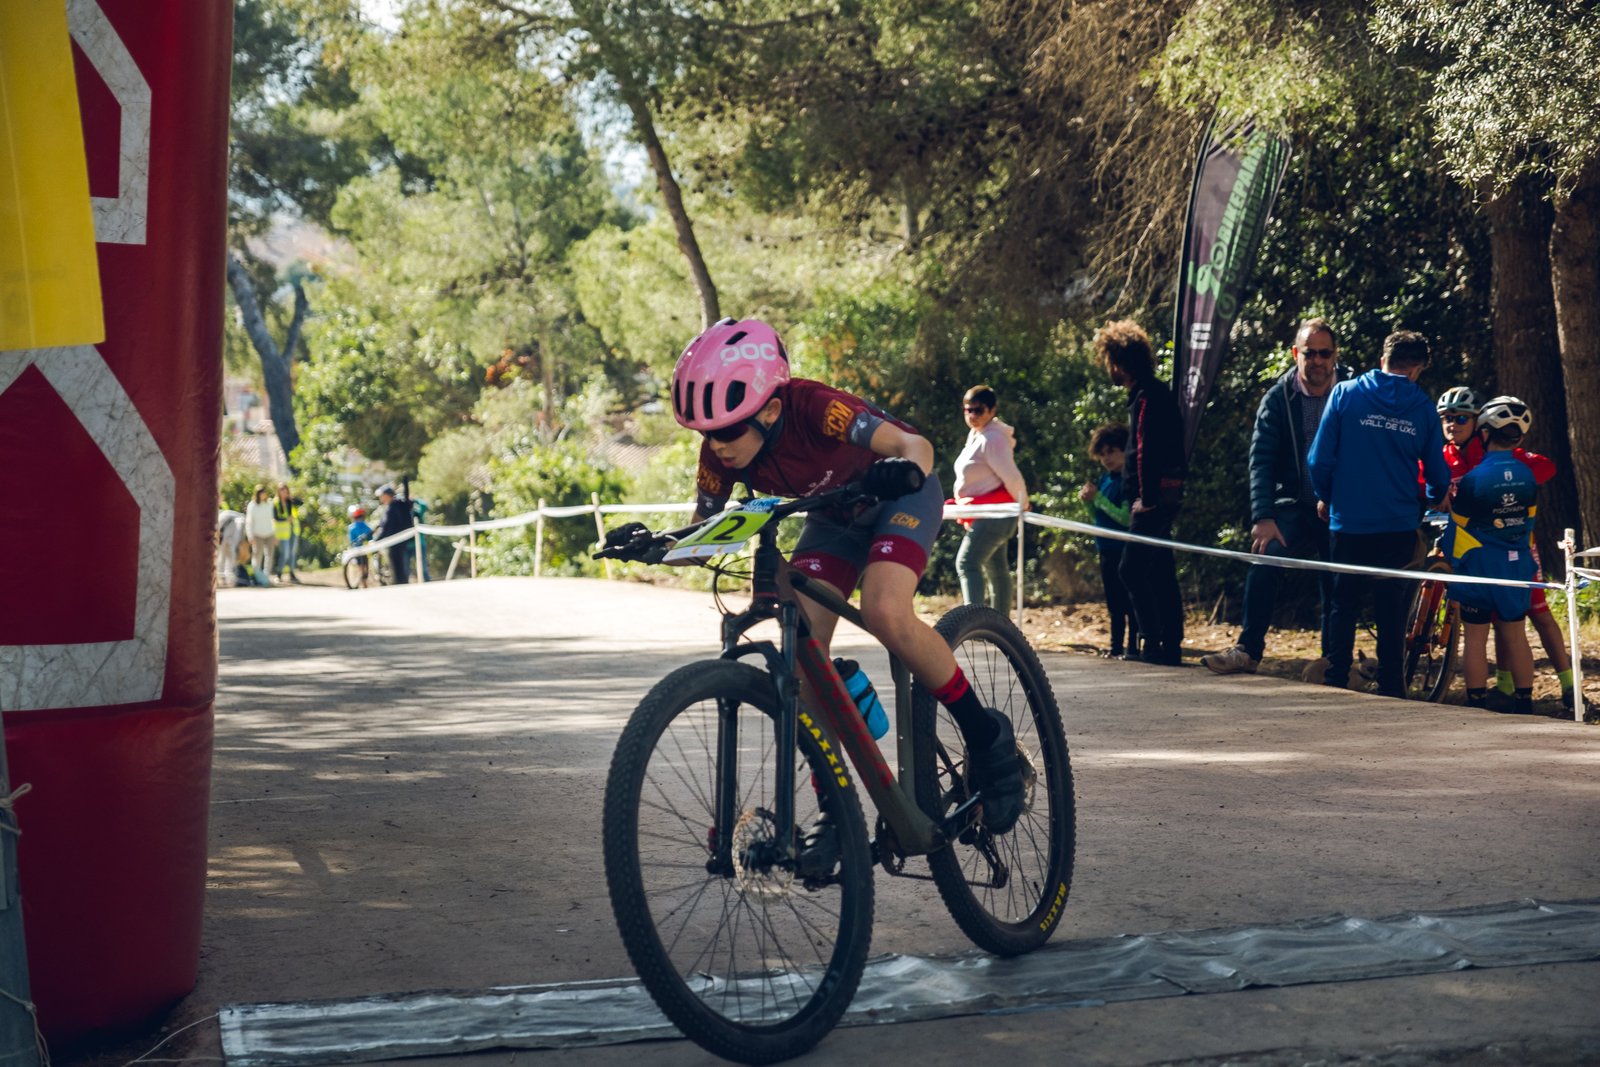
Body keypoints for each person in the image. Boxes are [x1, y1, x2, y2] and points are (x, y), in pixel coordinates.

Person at [671, 317, 1024, 834]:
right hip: (833, 519)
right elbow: (703, 535)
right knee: (801, 652)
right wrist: (654, 546)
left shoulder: (815, 406)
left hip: (899, 496)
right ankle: (836, 812)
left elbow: (918, 449)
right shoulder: (719, 455)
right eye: (706, 433)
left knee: (883, 609)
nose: (717, 445)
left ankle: (987, 736)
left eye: (726, 430)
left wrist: (899, 465)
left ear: (770, 410)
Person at [1204, 318, 1350, 677]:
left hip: (1339, 506)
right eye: (1309, 352)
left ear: (1335, 355)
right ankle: (1248, 651)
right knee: (1264, 559)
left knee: (1338, 579)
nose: (1316, 360)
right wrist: (1263, 517)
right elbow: (1261, 460)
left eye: (1324, 353)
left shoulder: (1353, 391)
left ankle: (1333, 662)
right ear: (1295, 353)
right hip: (1293, 505)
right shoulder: (1278, 397)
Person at [1308, 329, 1450, 696]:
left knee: (1343, 603)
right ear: (1416, 368)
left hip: (1349, 522)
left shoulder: (1345, 393)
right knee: (1391, 609)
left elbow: (1318, 459)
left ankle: (1336, 680)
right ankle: (1391, 686)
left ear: (1382, 357)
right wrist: (1435, 496)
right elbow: (1436, 472)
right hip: (1398, 525)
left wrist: (1327, 496)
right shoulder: (1422, 407)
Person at [1437, 387, 1574, 709]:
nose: (1452, 424)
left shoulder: (1480, 469)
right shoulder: (1521, 473)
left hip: (1485, 561)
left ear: (1481, 429)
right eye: (1446, 418)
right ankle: (1517, 696)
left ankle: (1484, 699)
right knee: (1513, 630)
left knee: (1489, 633)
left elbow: (1462, 522)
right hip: (1514, 559)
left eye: (1460, 419)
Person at [1096, 320, 1186, 666]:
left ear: (1120, 362)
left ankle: (1152, 642)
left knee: (1131, 569)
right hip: (1160, 497)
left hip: (1154, 501)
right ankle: (1169, 645)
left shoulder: (1148, 397)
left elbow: (1147, 450)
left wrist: (1147, 499)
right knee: (1160, 567)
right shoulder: (1148, 395)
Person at [1445, 396, 1540, 714]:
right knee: (1516, 634)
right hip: (1515, 567)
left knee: (1474, 638)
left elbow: (1457, 527)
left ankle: (1476, 706)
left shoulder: (1473, 479)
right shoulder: (1528, 476)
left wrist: (1454, 564)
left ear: (1483, 433)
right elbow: (1528, 520)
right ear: (1520, 438)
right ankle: (1524, 704)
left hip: (1478, 566)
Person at [950, 384, 1028, 617]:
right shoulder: (979, 434)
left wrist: (1023, 504)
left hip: (995, 515)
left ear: (992, 410)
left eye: (978, 410)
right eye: (968, 410)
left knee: (967, 563)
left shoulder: (993, 439)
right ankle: (1001, 628)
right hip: (986, 514)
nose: (972, 415)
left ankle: (971, 622)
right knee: (997, 571)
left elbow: (1012, 477)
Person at [1079, 423, 1138, 659]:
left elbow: (1125, 518)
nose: (1107, 458)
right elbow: (1099, 517)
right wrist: (1088, 503)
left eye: (1112, 451)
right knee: (1114, 602)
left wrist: (1099, 499)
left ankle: (1133, 647)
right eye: (1102, 454)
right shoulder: (1105, 478)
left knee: (1130, 602)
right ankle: (1115, 647)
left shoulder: (1128, 479)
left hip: (1124, 550)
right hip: (1105, 549)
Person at [376, 483, 415, 585]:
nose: (380, 499)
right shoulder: (399, 505)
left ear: (387, 495)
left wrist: (377, 539)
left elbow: (386, 527)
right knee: (402, 568)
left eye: (382, 496)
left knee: (398, 568)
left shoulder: (392, 508)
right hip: (402, 541)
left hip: (396, 543)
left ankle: (400, 585)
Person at [272, 483, 303, 584]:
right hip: (282, 533)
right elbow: (275, 518)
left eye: (285, 490)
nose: (284, 492)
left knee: (292, 554)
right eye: (282, 490)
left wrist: (291, 498)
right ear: (278, 492)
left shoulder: (290, 502)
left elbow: (301, 502)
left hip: (293, 530)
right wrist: (286, 519)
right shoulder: (275, 503)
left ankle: (291, 573)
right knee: (284, 553)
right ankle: (279, 573)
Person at [245, 485, 277, 580]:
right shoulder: (252, 505)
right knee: (257, 555)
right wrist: (250, 535)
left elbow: (273, 520)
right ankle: (257, 575)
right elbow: (249, 521)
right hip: (257, 534)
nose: (264, 495)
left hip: (269, 533)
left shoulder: (270, 503)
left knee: (269, 555)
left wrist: (275, 534)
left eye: (264, 493)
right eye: (261, 493)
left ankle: (266, 576)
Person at [348, 504, 374, 584]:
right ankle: (364, 580)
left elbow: (352, 540)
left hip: (357, 549)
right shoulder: (364, 525)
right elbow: (370, 534)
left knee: (361, 565)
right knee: (365, 564)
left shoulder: (352, 527)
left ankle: (363, 581)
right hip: (364, 549)